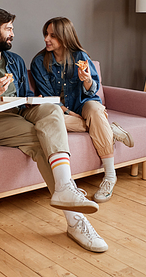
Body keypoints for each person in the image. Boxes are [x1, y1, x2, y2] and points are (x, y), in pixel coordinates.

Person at [0, 8, 108, 252]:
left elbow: (27, 96)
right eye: (8, 29)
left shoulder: (15, 61)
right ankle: (76, 221)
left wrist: (38, 100)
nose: (13, 34)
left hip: (19, 110)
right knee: (39, 137)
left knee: (51, 110)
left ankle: (65, 188)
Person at [31, 17, 134, 204]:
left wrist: (86, 79)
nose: (47, 39)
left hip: (84, 103)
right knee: (53, 121)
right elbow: (49, 99)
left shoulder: (80, 57)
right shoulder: (39, 62)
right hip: (60, 111)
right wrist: (70, 114)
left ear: (65, 36)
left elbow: (93, 90)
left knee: (95, 111)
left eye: (52, 35)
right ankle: (108, 129)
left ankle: (110, 177)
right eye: (46, 34)